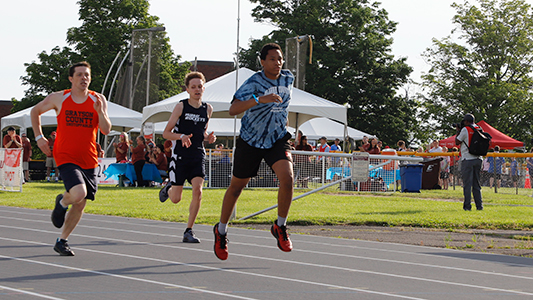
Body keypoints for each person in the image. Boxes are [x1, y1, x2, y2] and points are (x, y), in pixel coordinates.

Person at [213, 43, 294, 260]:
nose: (277, 63)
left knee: (287, 178)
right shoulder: (254, 82)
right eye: (272, 59)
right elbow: (233, 109)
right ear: (262, 62)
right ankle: (221, 230)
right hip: (250, 140)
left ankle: (280, 226)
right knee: (237, 187)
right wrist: (260, 100)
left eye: (280, 59)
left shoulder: (288, 79)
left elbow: (283, 106)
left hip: (277, 139)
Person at [30, 61, 112, 256]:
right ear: (71, 78)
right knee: (78, 193)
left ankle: (62, 240)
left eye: (87, 75)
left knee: (81, 202)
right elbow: (35, 111)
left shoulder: (98, 99)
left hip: (89, 158)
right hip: (66, 155)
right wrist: (39, 137)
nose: (84, 78)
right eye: (80, 75)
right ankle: (62, 202)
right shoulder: (60, 98)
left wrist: (100, 111)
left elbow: (106, 129)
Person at [158, 71, 216, 243]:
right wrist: (181, 136)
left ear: (204, 88)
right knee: (176, 199)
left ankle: (189, 230)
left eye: (200, 86)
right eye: (193, 87)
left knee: (198, 191)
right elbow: (166, 133)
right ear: (187, 90)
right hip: (180, 157)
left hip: (197, 155)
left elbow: (201, 133)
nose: (197, 90)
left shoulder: (208, 109)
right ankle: (168, 188)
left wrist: (209, 138)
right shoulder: (181, 107)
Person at [455, 113, 483, 211]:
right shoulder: (479, 128)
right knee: (476, 185)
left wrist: (458, 131)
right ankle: (479, 206)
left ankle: (467, 206)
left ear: (466, 122)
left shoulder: (465, 129)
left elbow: (457, 141)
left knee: (467, 184)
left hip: (467, 159)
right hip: (478, 159)